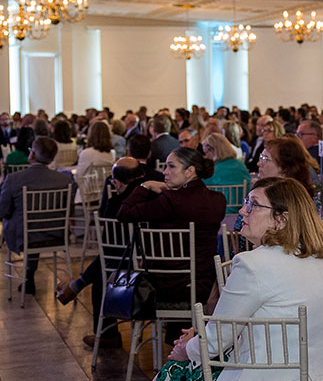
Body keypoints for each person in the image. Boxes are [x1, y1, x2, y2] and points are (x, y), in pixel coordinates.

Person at [76, 177, 323, 381]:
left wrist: (186, 349)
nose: (243, 211)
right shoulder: (321, 256)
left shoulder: (254, 264)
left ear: (281, 219)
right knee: (194, 369)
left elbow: (216, 343)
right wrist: (200, 342)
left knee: (179, 377)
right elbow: (266, 323)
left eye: (253, 204)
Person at [116, 147, 227, 316]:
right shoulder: (218, 200)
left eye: (171, 166)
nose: (164, 172)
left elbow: (123, 213)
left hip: (168, 286)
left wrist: (145, 186)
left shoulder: (170, 201)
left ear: (189, 171)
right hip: (206, 284)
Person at [56, 157, 148, 346]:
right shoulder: (155, 192)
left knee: (103, 275)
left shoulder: (118, 205)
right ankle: (77, 285)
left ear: (118, 182)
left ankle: (108, 334)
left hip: (136, 268)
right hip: (155, 259)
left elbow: (107, 245)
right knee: (110, 261)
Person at [0, 137, 76, 295]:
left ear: (32, 155)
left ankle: (28, 277)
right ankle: (29, 275)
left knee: (26, 224)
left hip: (23, 236)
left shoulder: (14, 179)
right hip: (56, 234)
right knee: (34, 226)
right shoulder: (66, 181)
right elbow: (69, 210)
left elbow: (3, 211)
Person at [201, 132, 252, 201]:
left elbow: (202, 186)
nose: (206, 156)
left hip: (220, 207)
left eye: (206, 152)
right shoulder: (241, 165)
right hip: (242, 207)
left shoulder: (214, 170)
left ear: (213, 150)